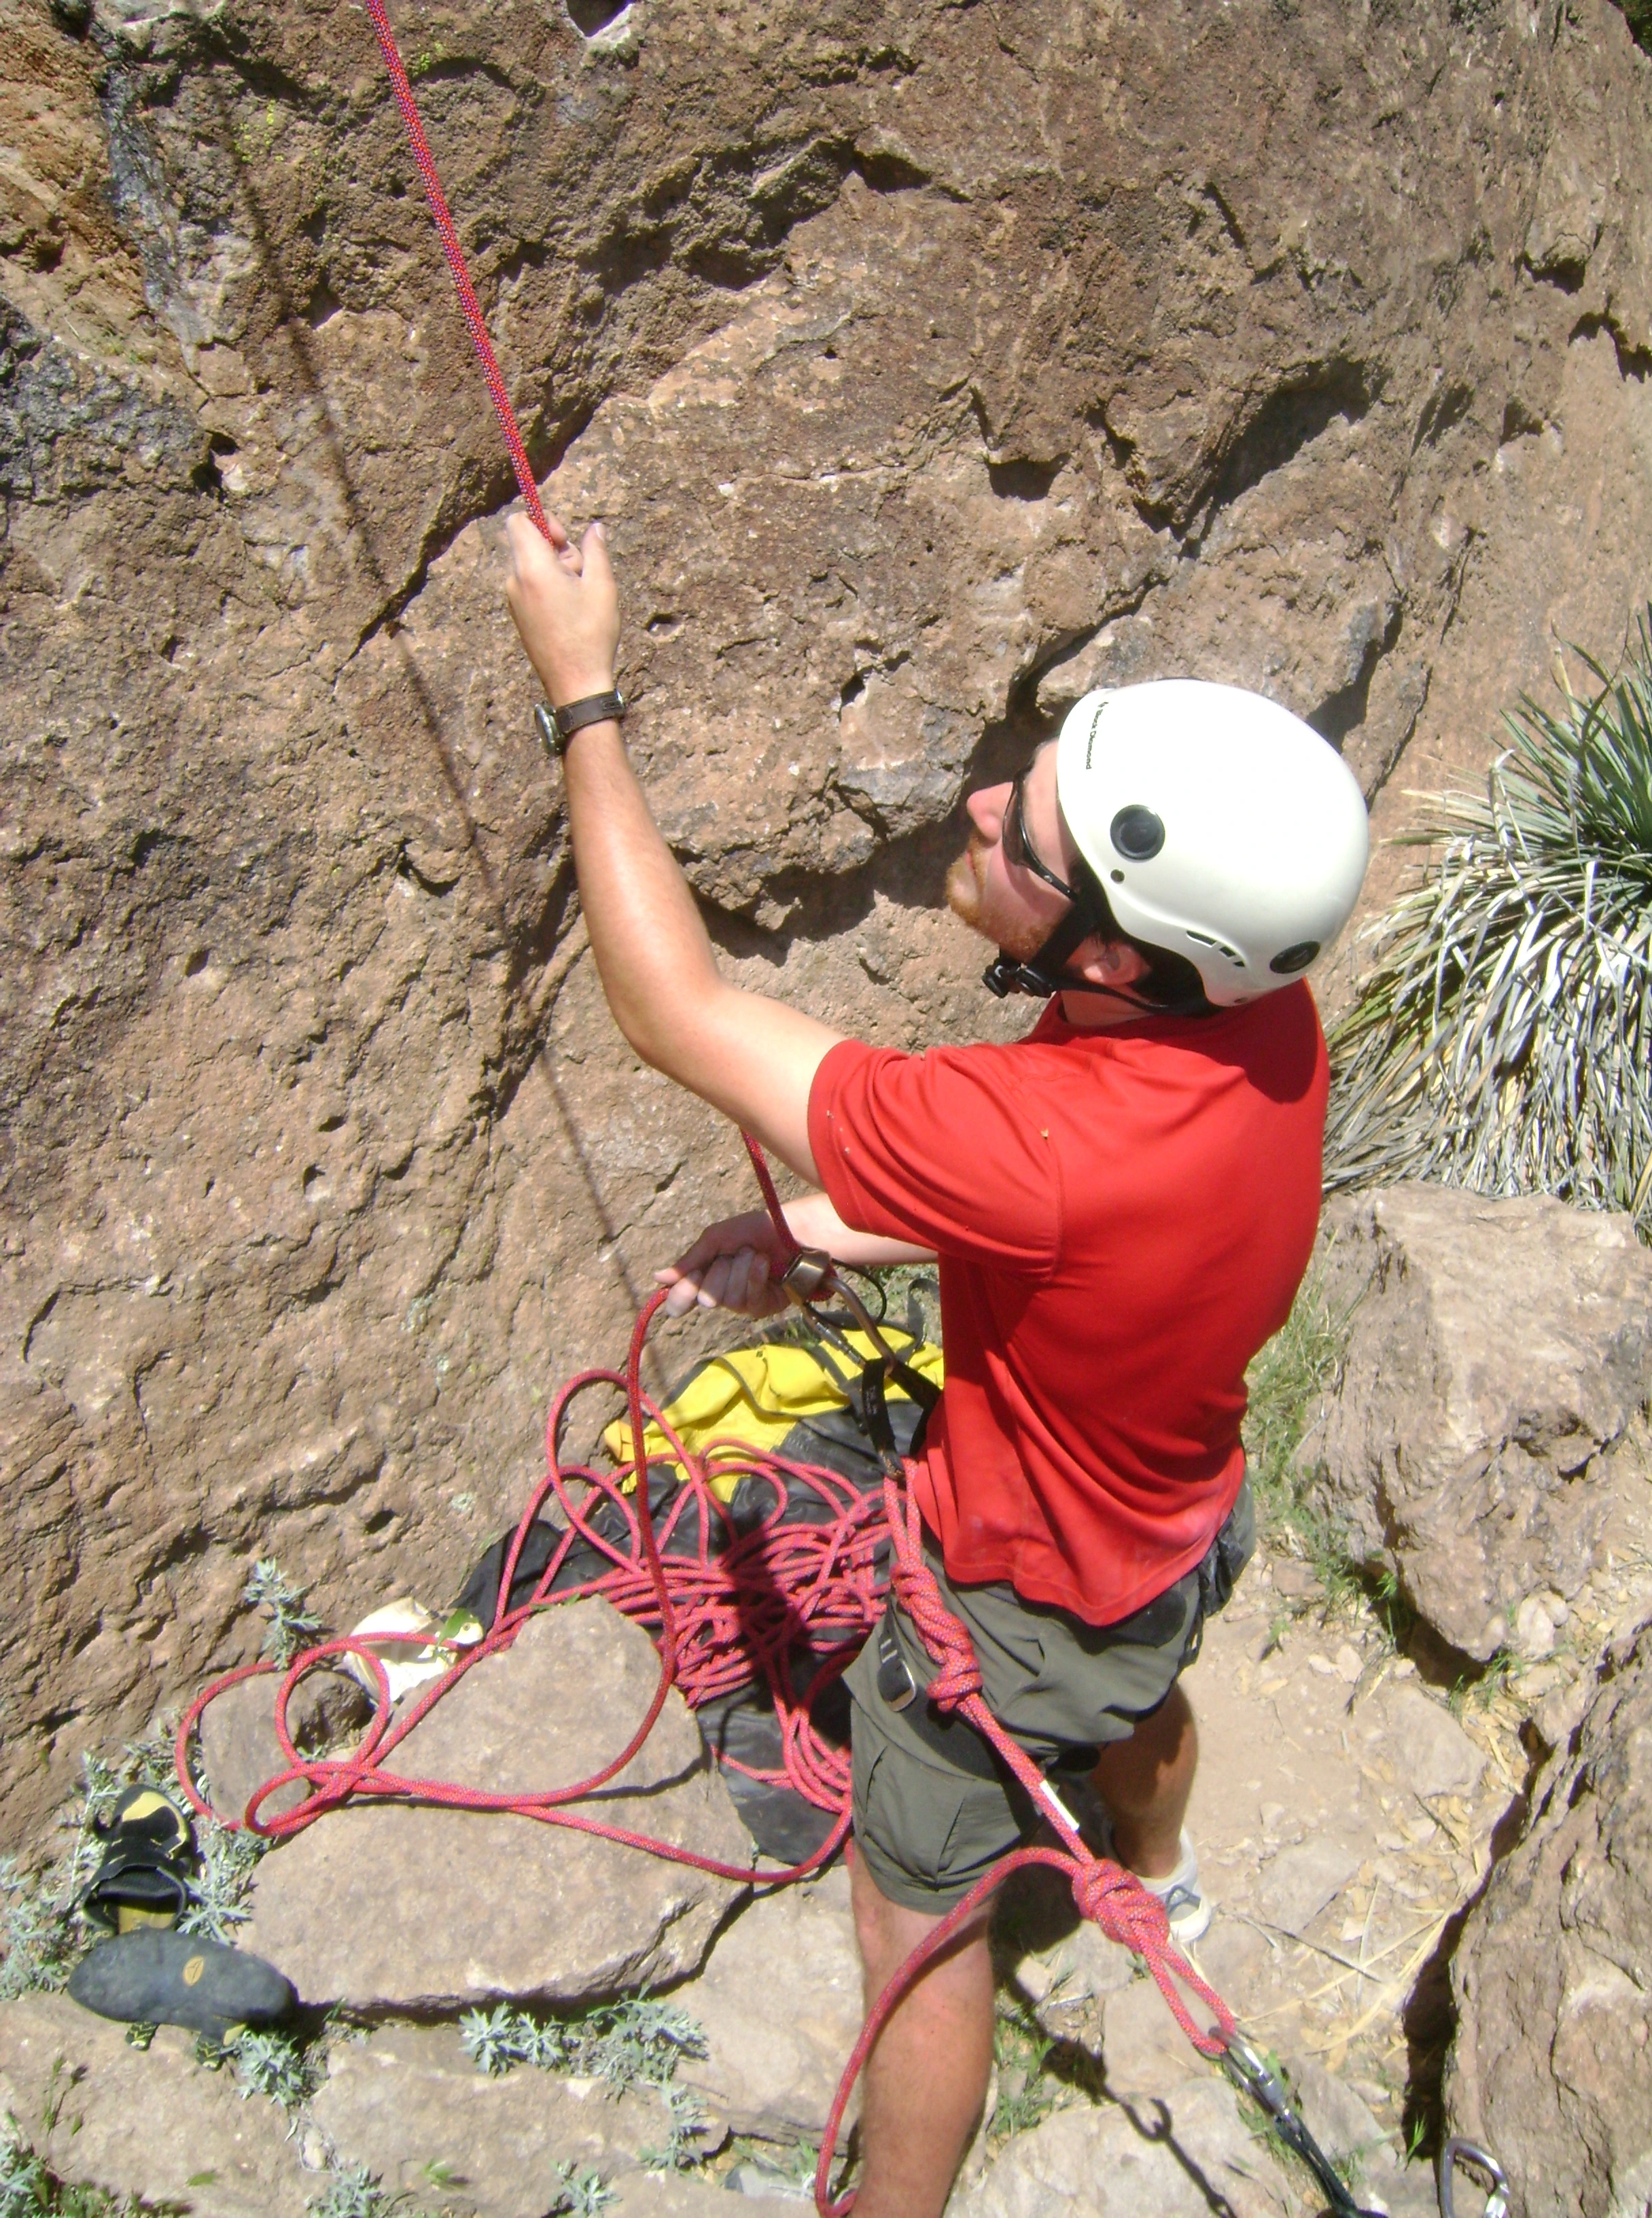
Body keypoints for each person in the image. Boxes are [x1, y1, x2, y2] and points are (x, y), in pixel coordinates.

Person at [503, 510, 1369, 2218]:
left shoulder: (1028, 1136)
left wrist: (578, 695)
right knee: (1143, 1686)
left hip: (1019, 1593)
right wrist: (839, 1230)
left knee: (920, 1916)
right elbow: (1097, 1217)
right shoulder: (1259, 1019)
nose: (983, 805)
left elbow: (673, 1012)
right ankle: (1162, 1875)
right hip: (1191, 1510)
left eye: (1027, 839)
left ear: (1112, 959)